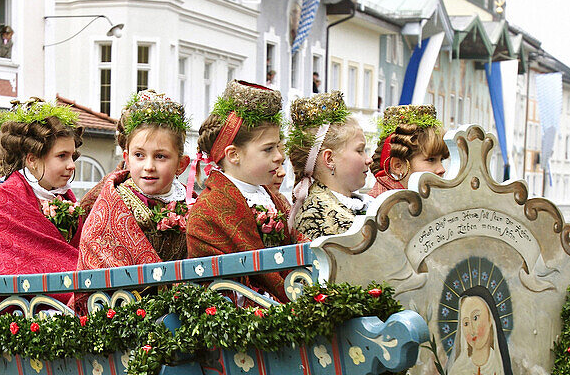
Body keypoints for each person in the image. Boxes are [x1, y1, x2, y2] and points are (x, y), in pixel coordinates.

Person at [186, 79, 293, 302]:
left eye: (278, 146)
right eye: (268, 149)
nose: (279, 156)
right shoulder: (209, 210)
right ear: (234, 155)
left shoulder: (272, 197)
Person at [77, 90, 191, 271]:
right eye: (139, 155)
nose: (149, 166)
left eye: (160, 156)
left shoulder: (192, 203)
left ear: (181, 164)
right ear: (127, 159)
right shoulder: (111, 204)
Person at [0, 99, 83, 296]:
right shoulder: (3, 201)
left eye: (72, 156)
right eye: (62, 156)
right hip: (22, 308)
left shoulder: (65, 196)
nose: (72, 165)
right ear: (32, 159)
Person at [287, 90, 375, 240]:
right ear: (329, 159)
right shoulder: (318, 215)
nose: (369, 160)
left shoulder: (357, 204)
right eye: (359, 150)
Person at [367, 104, 448, 198]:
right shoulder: (381, 206)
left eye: (441, 159)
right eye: (431, 159)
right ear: (398, 166)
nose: (442, 169)